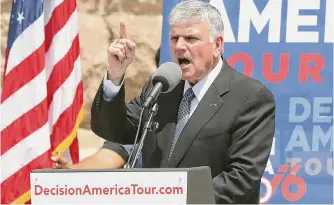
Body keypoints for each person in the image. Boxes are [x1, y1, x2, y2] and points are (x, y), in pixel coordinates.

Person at [52, 1, 276, 203]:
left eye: (191, 38)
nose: (179, 46)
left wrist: (173, 199)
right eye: (174, 38)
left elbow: (241, 180)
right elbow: (115, 131)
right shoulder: (162, 87)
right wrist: (115, 75)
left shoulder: (250, 97)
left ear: (217, 45)